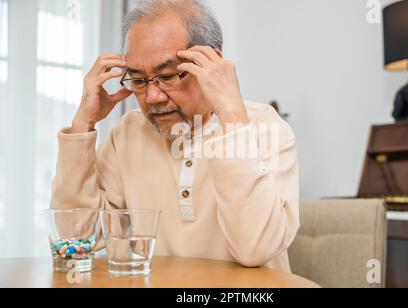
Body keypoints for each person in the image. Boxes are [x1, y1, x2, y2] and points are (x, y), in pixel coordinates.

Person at [51, 0, 300, 272]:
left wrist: (231, 116)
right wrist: (82, 125)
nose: (152, 97)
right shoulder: (127, 133)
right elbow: (75, 240)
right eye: (138, 80)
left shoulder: (266, 127)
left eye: (168, 76)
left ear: (211, 64)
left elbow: (256, 248)